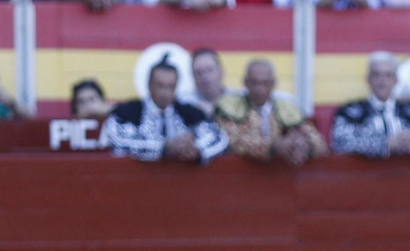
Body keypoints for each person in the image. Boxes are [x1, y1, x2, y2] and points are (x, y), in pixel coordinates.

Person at [100, 58, 229, 163]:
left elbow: (218, 138)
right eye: (160, 86)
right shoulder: (128, 112)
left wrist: (197, 150)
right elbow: (118, 140)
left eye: (170, 87)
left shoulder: (189, 113)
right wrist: (164, 146)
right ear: (149, 85)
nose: (165, 93)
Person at [331, 52, 410, 158]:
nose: (382, 81)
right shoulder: (351, 112)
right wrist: (386, 145)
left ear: (396, 80)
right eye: (376, 75)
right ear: (368, 79)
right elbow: (340, 142)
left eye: (388, 75)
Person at [213, 59, 328, 165]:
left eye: (265, 83)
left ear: (273, 83)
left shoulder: (286, 108)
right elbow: (232, 140)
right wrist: (274, 146)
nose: (259, 89)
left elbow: (318, 141)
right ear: (245, 82)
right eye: (254, 82)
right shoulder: (230, 107)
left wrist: (303, 146)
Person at [184, 48, 233, 116]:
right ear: (193, 78)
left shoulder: (240, 101)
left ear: (221, 72)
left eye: (209, 70)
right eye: (199, 73)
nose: (205, 77)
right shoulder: (185, 105)